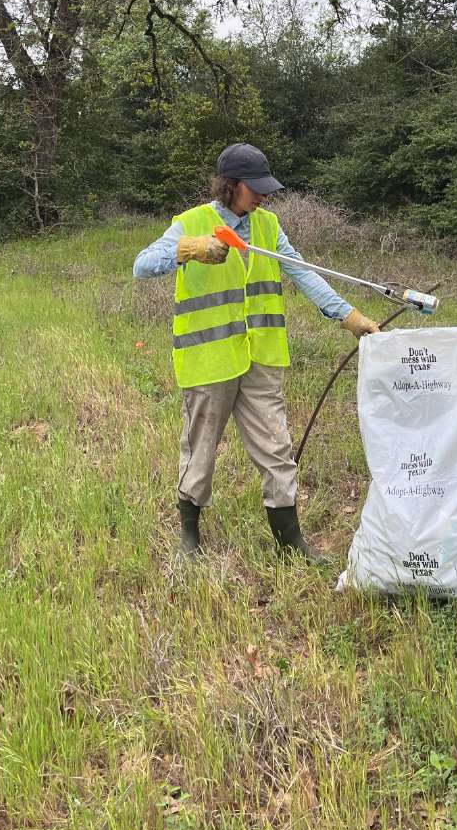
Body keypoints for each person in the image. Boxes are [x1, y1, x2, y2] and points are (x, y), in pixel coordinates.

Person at [133, 142, 379, 561]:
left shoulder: (267, 226)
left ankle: (290, 543)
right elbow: (142, 265)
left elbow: (302, 273)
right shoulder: (193, 222)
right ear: (230, 186)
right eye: (255, 187)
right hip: (209, 360)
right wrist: (189, 249)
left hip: (261, 358)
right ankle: (189, 538)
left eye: (267, 187)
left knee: (276, 447)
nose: (263, 195)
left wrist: (348, 317)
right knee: (201, 448)